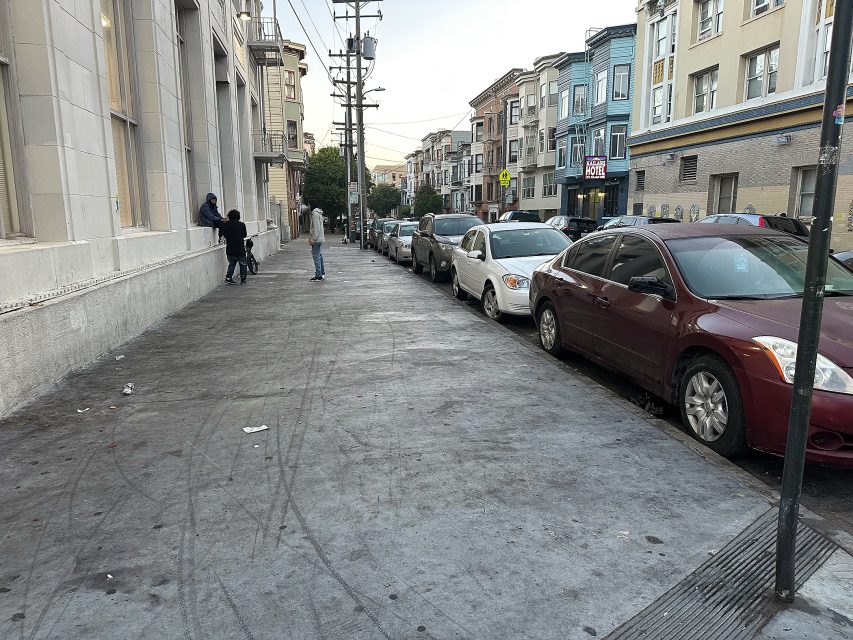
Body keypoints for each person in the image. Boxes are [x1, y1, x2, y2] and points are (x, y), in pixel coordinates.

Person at [221, 209, 248, 285]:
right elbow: (244, 235)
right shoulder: (242, 225)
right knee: (243, 264)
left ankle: (228, 278)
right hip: (240, 248)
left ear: (229, 216)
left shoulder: (226, 225)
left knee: (231, 264)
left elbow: (224, 234)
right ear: (238, 216)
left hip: (230, 248)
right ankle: (243, 280)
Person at [309, 207, 326, 281]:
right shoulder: (319, 214)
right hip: (320, 238)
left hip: (317, 239)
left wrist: (313, 239)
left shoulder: (315, 215)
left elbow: (316, 228)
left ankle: (318, 274)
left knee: (316, 255)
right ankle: (321, 273)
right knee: (319, 255)